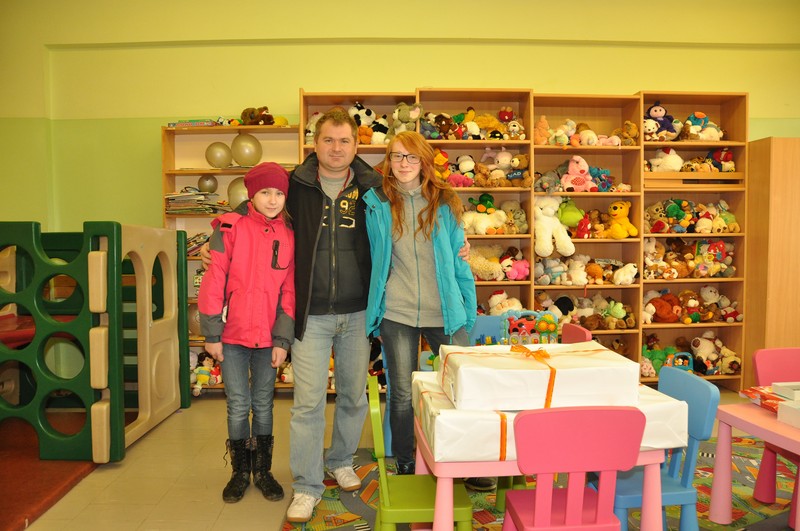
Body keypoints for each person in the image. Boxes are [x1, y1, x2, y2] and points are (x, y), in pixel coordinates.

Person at [364, 130, 477, 475]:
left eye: (411, 156)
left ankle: (468, 461)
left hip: (444, 311)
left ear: (424, 161)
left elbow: (459, 259)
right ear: (388, 161)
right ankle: (406, 461)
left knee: (465, 387)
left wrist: (467, 307)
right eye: (397, 156)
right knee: (401, 392)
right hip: (397, 311)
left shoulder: (445, 201)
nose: (404, 163)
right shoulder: (377, 203)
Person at [198, 161, 295, 504]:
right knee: (239, 405)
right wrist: (212, 334)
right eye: (265, 192)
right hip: (232, 336)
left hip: (268, 339)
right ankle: (240, 472)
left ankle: (263, 471)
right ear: (251, 194)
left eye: (279, 193)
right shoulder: (230, 227)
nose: (272, 199)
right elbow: (213, 281)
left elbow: (288, 292)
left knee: (264, 404)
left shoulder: (289, 233)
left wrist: (282, 340)